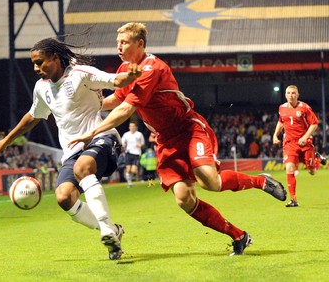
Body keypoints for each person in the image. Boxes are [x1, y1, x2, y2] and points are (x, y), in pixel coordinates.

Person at [68, 22, 287, 256]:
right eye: (117, 43)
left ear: (139, 44)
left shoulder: (152, 68)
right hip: (166, 141)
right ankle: (239, 236)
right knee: (184, 199)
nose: (118, 47)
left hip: (189, 130)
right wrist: (87, 104)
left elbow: (126, 109)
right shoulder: (125, 69)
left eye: (124, 42)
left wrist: (93, 132)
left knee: (210, 182)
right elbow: (116, 100)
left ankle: (260, 182)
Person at [0, 36, 141, 260]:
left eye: (40, 62)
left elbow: (114, 81)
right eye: (33, 63)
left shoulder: (80, 73)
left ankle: (105, 228)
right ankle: (113, 230)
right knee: (63, 197)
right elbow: (34, 116)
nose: (36, 68)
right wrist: (8, 139)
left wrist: (129, 76)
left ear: (55, 58)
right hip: (73, 150)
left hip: (101, 138)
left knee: (83, 168)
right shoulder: (42, 87)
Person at [273, 85, 327, 207]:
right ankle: (293, 199)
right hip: (289, 143)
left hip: (305, 143)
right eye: (288, 93)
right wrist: (275, 135)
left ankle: (317, 158)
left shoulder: (304, 108)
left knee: (312, 171)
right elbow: (281, 122)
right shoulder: (282, 108)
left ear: (298, 95)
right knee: (289, 168)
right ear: (285, 95)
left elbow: (314, 124)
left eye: (293, 93)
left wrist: (305, 137)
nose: (291, 95)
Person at [121, 122, 145, 187]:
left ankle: (138, 177)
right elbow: (122, 142)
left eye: (133, 126)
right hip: (128, 153)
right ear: (129, 127)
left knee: (133, 170)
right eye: (131, 126)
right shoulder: (126, 134)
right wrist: (123, 144)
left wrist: (140, 145)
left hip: (136, 153)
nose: (132, 127)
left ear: (135, 127)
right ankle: (129, 183)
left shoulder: (139, 134)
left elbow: (143, 143)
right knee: (128, 169)